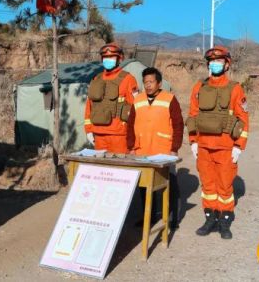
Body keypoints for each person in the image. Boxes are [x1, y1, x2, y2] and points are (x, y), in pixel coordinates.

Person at [186, 45, 249, 240]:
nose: (215, 64)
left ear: (227, 64)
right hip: (204, 146)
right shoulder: (199, 87)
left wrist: (239, 146)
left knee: (225, 186)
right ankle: (210, 219)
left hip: (225, 147)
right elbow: (193, 115)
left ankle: (224, 221)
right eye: (212, 61)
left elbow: (243, 119)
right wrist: (193, 142)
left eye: (219, 61)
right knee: (207, 185)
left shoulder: (235, 89)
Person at [127, 67, 183, 228]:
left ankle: (172, 218)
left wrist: (175, 148)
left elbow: (178, 125)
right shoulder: (138, 100)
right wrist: (131, 146)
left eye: (151, 82)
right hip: (142, 150)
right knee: (144, 186)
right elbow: (130, 124)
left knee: (169, 184)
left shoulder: (169, 98)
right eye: (145, 82)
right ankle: (148, 217)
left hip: (164, 150)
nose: (148, 85)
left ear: (159, 83)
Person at [84, 43, 138, 153]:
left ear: (119, 58)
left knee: (120, 168)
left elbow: (135, 108)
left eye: (111, 57)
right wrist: (89, 130)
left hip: (119, 135)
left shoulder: (128, 79)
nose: (108, 60)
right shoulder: (96, 79)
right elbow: (89, 106)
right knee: (101, 169)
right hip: (98, 135)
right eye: (105, 57)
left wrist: (133, 135)